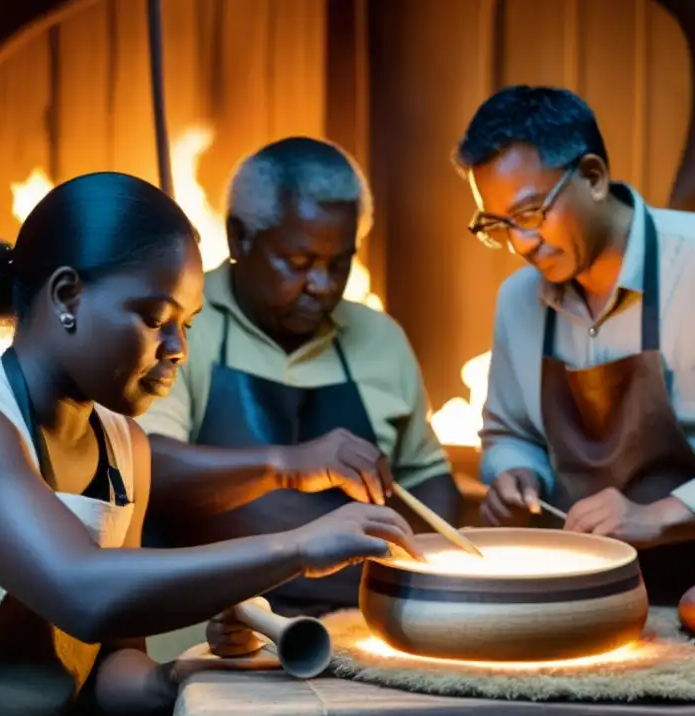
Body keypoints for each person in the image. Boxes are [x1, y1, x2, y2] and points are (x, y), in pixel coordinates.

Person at [0, 171, 416, 716]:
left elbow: (105, 674)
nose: (178, 347)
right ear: (67, 297)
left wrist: (182, 678)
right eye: (156, 317)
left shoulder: (123, 445)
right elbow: (82, 592)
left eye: (188, 323)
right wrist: (297, 547)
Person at [455, 85, 695, 609]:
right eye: (497, 226)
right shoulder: (517, 301)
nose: (521, 244)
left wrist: (656, 515)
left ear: (593, 176)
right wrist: (514, 472)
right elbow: (509, 433)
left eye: (530, 214)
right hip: (586, 597)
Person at [138, 136, 460, 631]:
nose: (324, 285)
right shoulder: (181, 325)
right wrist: (287, 465)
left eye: (339, 263)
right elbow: (144, 464)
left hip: (359, 623)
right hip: (214, 623)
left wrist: (425, 571)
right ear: (240, 237)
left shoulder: (379, 339)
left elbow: (426, 475)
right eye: (300, 262)